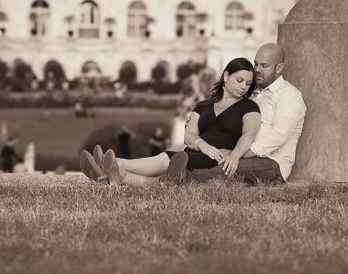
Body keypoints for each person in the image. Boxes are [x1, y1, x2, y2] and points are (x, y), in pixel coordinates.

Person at [79, 57, 261, 185]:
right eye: (239, 80)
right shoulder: (203, 105)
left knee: (167, 157)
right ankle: (115, 175)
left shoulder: (249, 107)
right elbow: (189, 134)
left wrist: (235, 156)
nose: (243, 87)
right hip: (195, 152)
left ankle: (113, 164)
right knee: (168, 168)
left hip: (217, 157)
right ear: (227, 76)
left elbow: (249, 134)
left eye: (247, 84)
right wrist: (201, 144)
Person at [176, 43, 306, 186]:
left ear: (279, 68)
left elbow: (278, 136)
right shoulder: (251, 94)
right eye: (256, 64)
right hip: (240, 154)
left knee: (227, 169)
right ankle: (172, 174)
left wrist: (237, 154)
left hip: (273, 163)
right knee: (211, 160)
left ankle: (181, 179)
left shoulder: (288, 94)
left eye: (264, 66)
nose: (257, 70)